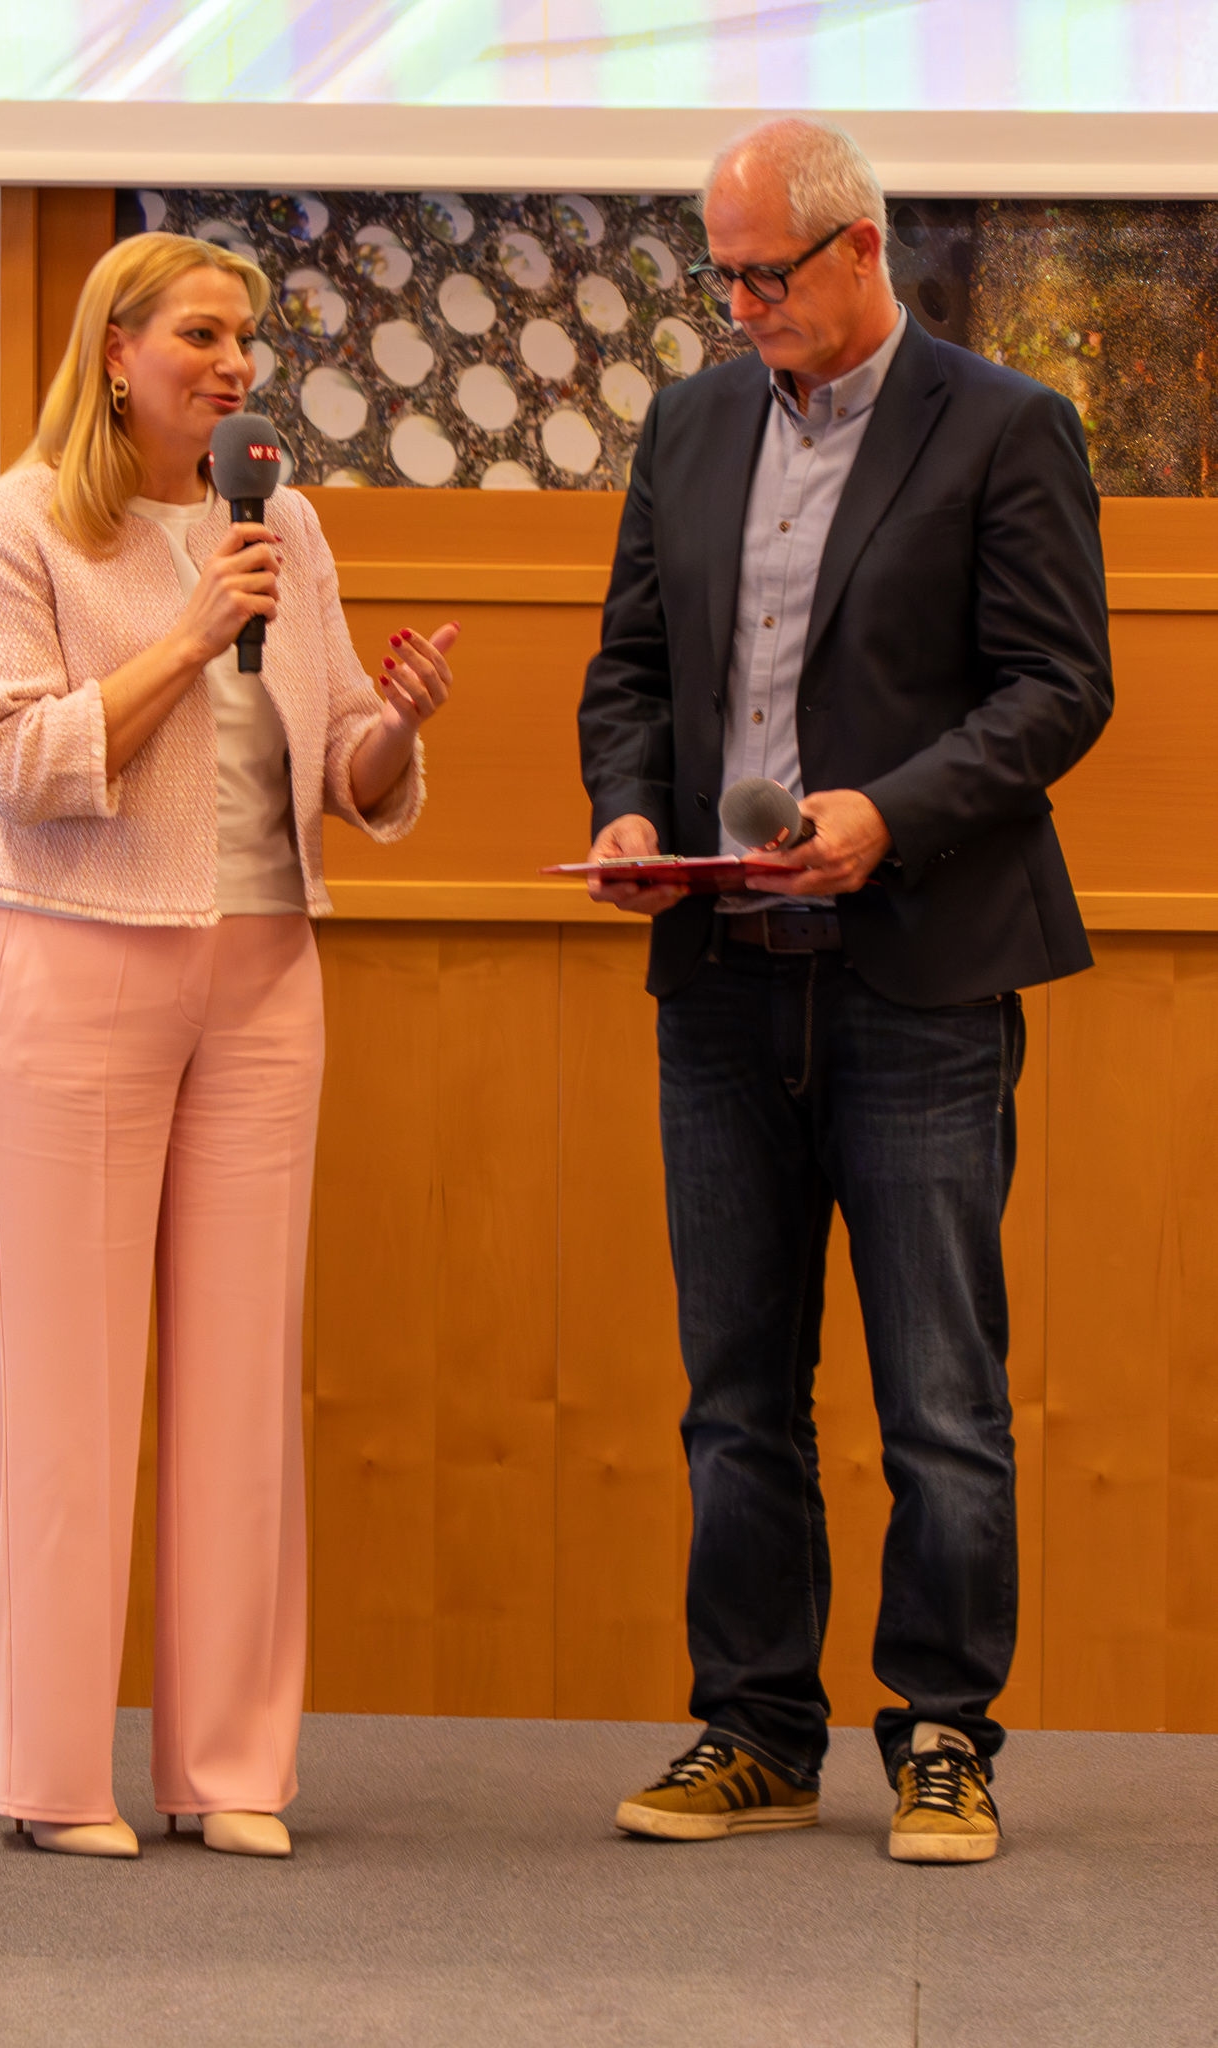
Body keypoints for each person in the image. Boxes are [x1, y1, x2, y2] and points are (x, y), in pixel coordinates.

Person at [578, 118, 1112, 1862]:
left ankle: (944, 1734)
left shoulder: (1005, 422)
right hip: (720, 979)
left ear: (860, 248)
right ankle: (755, 1732)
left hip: (918, 983)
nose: (738, 307)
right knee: (734, 1388)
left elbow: (1056, 687)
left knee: (938, 1396)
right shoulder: (686, 423)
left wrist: (887, 814)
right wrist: (630, 810)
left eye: (764, 275)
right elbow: (631, 667)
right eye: (719, 276)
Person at [0, 231, 456, 1858]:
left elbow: (339, 767)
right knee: (67, 1388)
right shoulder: (12, 524)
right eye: (203, 336)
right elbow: (20, 762)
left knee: (241, 1387)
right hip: (75, 956)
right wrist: (182, 630)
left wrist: (394, 729)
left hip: (261, 967)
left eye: (247, 342)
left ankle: (228, 1768)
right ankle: (55, 1780)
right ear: (116, 351)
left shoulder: (280, 520)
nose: (236, 367)